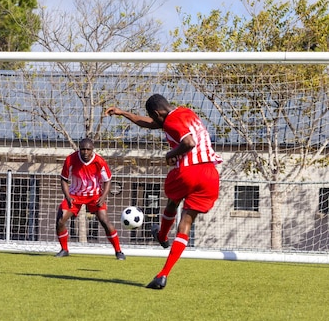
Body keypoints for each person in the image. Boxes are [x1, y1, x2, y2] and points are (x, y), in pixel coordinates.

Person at [105, 94, 222, 289]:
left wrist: (171, 153)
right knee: (185, 223)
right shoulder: (186, 113)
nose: (155, 122)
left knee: (172, 201)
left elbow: (189, 143)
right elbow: (149, 123)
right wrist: (122, 112)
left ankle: (161, 235)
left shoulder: (171, 121)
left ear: (158, 113)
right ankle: (163, 274)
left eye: (154, 117)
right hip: (210, 174)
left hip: (190, 170)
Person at [55, 137, 125, 260]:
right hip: (75, 195)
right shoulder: (71, 159)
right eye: (83, 149)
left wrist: (103, 198)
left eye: (88, 149)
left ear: (92, 149)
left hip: (95, 195)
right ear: (79, 149)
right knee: (60, 220)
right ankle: (64, 249)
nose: (85, 152)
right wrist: (67, 197)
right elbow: (64, 179)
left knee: (105, 222)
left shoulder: (99, 161)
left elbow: (107, 180)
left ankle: (118, 251)